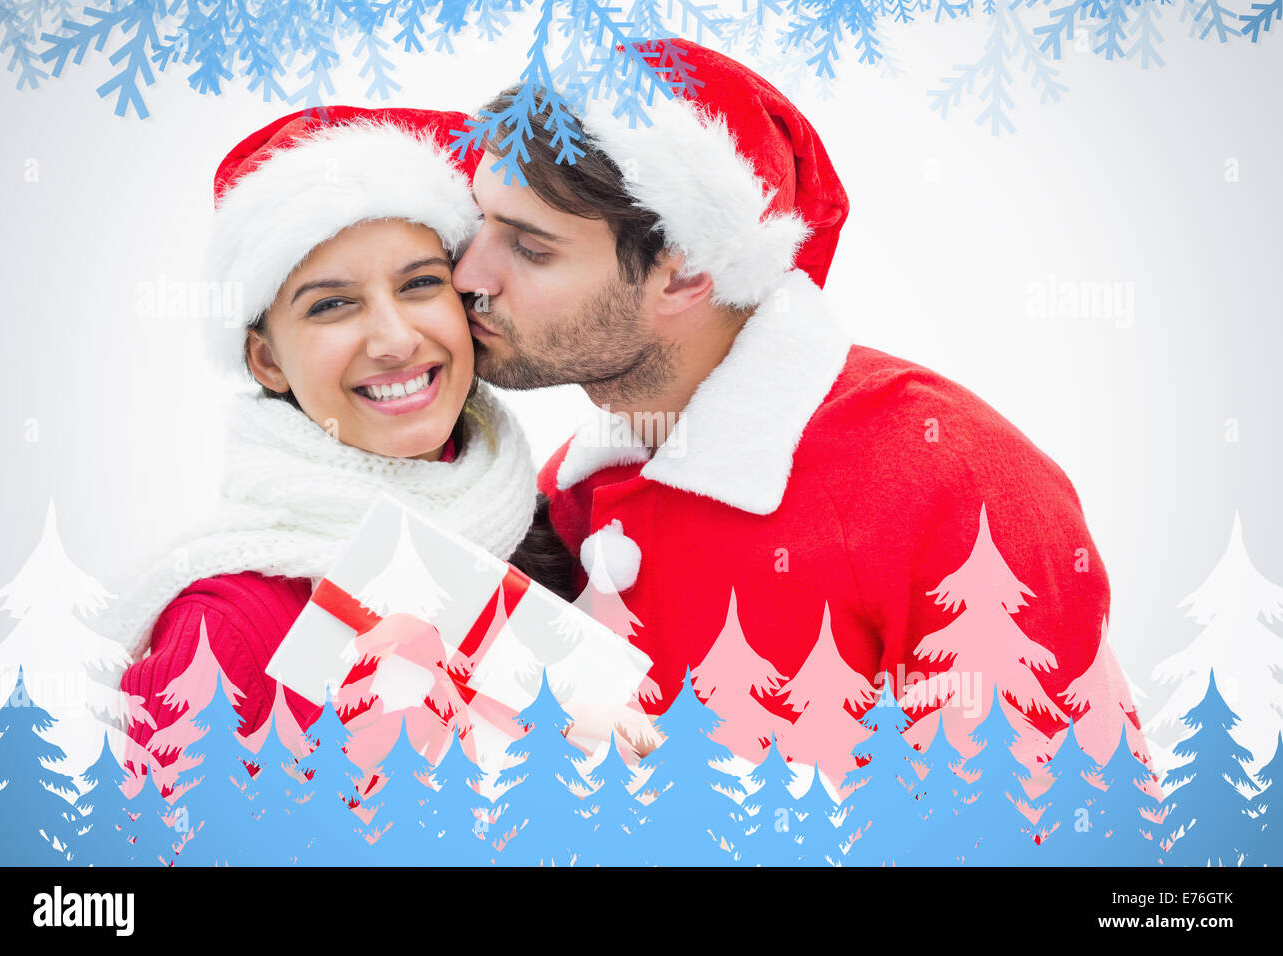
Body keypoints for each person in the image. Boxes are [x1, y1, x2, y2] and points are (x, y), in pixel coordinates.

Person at [451, 38, 1155, 798]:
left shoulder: (954, 485)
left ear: (686, 272)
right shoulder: (567, 493)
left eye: (528, 247)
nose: (468, 277)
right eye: (480, 223)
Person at [110, 106, 576, 794]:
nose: (392, 339)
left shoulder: (553, 526)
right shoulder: (223, 626)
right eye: (331, 305)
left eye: (420, 284)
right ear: (267, 361)